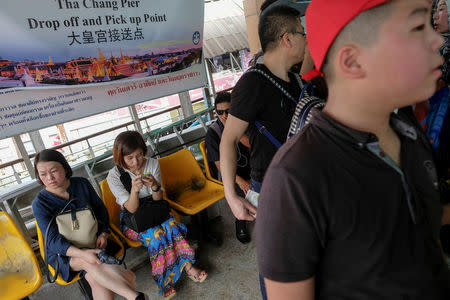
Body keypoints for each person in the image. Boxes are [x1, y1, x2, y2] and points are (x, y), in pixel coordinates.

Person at [256, 0, 450, 299]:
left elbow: (418, 227)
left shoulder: (407, 131)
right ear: (352, 62)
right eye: (416, 28)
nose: (436, 39)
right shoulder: (295, 180)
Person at [220, 3, 306, 221]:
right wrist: (232, 197)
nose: (306, 39)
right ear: (287, 39)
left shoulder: (296, 80)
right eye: (303, 33)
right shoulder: (252, 84)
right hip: (272, 192)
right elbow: (228, 140)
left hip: (300, 184)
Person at [32, 149, 145, 300]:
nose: (49, 178)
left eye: (54, 171)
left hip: (93, 242)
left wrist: (103, 233)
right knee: (89, 262)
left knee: (94, 278)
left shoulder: (82, 184)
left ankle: (135, 295)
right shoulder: (40, 203)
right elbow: (52, 241)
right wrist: (82, 253)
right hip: (64, 254)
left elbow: (100, 211)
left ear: (64, 168)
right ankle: (134, 295)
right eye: (43, 174)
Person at [106, 131, 207, 299]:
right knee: (158, 235)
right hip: (133, 221)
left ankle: (188, 267)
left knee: (171, 226)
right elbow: (130, 209)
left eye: (139, 156)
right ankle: (165, 281)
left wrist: (154, 186)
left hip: (155, 210)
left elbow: (158, 199)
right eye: (130, 158)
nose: (136, 162)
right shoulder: (115, 176)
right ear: (120, 156)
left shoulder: (151, 163)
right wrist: (134, 191)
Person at [205, 91, 252, 243]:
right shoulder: (213, 133)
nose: (225, 115)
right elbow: (219, 165)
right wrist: (240, 181)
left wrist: (235, 130)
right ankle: (240, 222)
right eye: (220, 112)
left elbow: (252, 146)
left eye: (229, 111)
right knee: (238, 191)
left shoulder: (244, 123)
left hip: (251, 167)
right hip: (232, 174)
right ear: (216, 113)